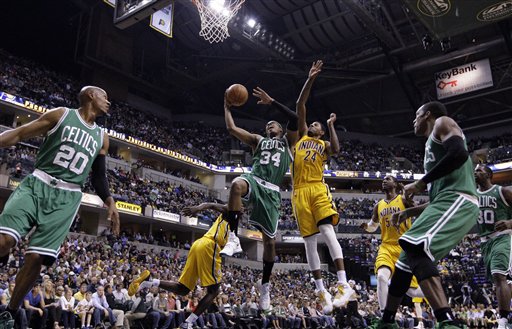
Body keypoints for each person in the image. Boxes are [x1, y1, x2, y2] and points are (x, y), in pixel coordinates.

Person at [0, 86, 120, 326]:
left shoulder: (102, 137)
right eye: (104, 96)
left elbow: (98, 176)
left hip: (68, 196)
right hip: (38, 182)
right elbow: (21, 133)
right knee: (4, 241)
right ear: (90, 96)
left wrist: (110, 201)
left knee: (36, 258)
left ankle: (9, 313)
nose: (108, 102)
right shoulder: (61, 114)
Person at [370, 101, 479, 329]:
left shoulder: (442, 122)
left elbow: (459, 153)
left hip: (460, 200)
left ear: (427, 115)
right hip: (445, 202)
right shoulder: (431, 148)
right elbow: (438, 200)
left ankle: (446, 320)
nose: (413, 121)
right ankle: (387, 321)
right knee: (403, 264)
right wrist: (409, 211)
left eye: (416, 116)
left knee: (415, 248)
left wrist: (420, 183)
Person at [219, 87, 298, 310]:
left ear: (280, 129)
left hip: (271, 191)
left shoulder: (288, 143)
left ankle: (265, 286)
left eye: (272, 124)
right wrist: (226, 107)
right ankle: (233, 237)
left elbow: (296, 117)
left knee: (270, 243)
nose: (268, 126)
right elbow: (231, 128)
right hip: (253, 179)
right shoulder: (258, 140)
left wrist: (271, 101)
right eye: (266, 126)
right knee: (235, 184)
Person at [292, 60, 352, 312]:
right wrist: (311, 79)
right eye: (314, 124)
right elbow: (299, 105)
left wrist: (330, 126)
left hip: (317, 188)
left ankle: (342, 283)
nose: (314, 125)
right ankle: (320, 290)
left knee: (327, 232)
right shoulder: (300, 137)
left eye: (317, 125)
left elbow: (337, 149)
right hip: (298, 192)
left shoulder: (324, 145)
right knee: (309, 242)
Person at [127, 202, 232, 329]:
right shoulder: (233, 210)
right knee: (214, 291)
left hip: (199, 244)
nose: (243, 209)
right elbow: (215, 205)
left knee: (183, 289)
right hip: (210, 246)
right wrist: (198, 208)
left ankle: (150, 281)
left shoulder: (232, 221)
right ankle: (188, 323)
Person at [360, 175, 424, 312]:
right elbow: (373, 226)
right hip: (386, 247)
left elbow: (418, 210)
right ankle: (385, 315)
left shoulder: (402, 200)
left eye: (388, 179)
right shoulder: (378, 205)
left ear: (395, 184)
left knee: (412, 292)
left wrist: (410, 200)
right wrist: (366, 227)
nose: (384, 180)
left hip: (404, 247)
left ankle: (435, 292)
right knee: (382, 277)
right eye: (383, 179)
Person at [474, 164, 512, 329]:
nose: (475, 172)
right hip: (484, 242)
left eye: (479, 170)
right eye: (474, 171)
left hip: (502, 237)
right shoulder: (472, 195)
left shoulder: (502, 191)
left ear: (489, 175)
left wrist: (509, 222)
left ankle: (503, 320)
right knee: (503, 281)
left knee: (499, 276)